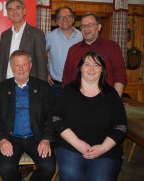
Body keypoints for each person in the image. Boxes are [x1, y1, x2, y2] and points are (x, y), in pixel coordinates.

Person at [53, 51, 127, 181]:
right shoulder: (68, 90)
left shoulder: (112, 94)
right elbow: (56, 119)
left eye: (96, 65)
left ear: (102, 70)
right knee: (72, 175)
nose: (91, 69)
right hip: (71, 145)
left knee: (100, 179)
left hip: (106, 149)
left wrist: (103, 148)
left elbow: (121, 125)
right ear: (80, 68)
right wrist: (78, 143)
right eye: (87, 64)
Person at [0, 50, 56, 181]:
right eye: (17, 65)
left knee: (48, 168)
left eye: (24, 64)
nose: (21, 69)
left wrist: (46, 138)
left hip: (37, 137)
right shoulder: (1, 88)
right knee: (5, 169)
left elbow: (51, 115)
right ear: (11, 66)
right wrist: (2, 139)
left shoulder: (43, 87)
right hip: (11, 138)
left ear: (30, 65)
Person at [62, 12, 127, 97]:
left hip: (105, 98)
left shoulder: (112, 47)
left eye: (90, 25)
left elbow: (120, 77)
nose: (86, 29)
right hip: (78, 100)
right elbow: (67, 78)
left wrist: (115, 101)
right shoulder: (73, 49)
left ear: (99, 27)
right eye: (83, 26)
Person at [0, 0, 47, 83]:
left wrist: (42, 88)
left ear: (24, 11)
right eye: (10, 9)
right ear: (8, 14)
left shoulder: (36, 34)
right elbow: (1, 64)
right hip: (8, 84)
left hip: (29, 84)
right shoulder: (4, 35)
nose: (14, 12)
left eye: (18, 8)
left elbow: (42, 64)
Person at [46, 6, 83, 98]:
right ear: (57, 21)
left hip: (77, 84)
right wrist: (45, 73)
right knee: (56, 112)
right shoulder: (50, 36)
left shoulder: (81, 36)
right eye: (60, 17)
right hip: (56, 85)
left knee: (74, 112)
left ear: (73, 19)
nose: (64, 19)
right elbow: (41, 54)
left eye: (67, 16)